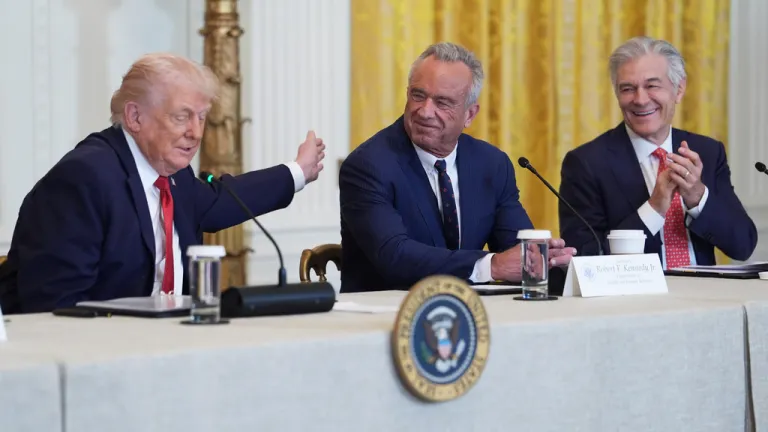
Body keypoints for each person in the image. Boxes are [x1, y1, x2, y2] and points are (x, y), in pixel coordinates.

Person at [0, 53, 325, 313]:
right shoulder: (83, 180)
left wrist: (299, 170)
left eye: (201, 117)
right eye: (181, 117)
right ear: (135, 117)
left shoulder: (174, 175)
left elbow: (219, 202)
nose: (196, 133)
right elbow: (56, 308)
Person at [339, 42, 576, 293]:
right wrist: (490, 266)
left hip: (471, 313)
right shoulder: (369, 165)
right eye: (418, 95)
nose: (425, 112)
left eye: (442, 102)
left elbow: (514, 248)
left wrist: (542, 260)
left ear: (470, 115)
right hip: (386, 315)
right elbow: (394, 255)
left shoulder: (491, 164)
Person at [559, 37, 757, 268]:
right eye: (627, 89)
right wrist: (654, 208)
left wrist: (698, 198)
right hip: (636, 301)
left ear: (679, 89)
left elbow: (743, 245)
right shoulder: (587, 163)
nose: (640, 100)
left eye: (652, 86)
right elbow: (583, 257)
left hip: (706, 296)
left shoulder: (707, 152)